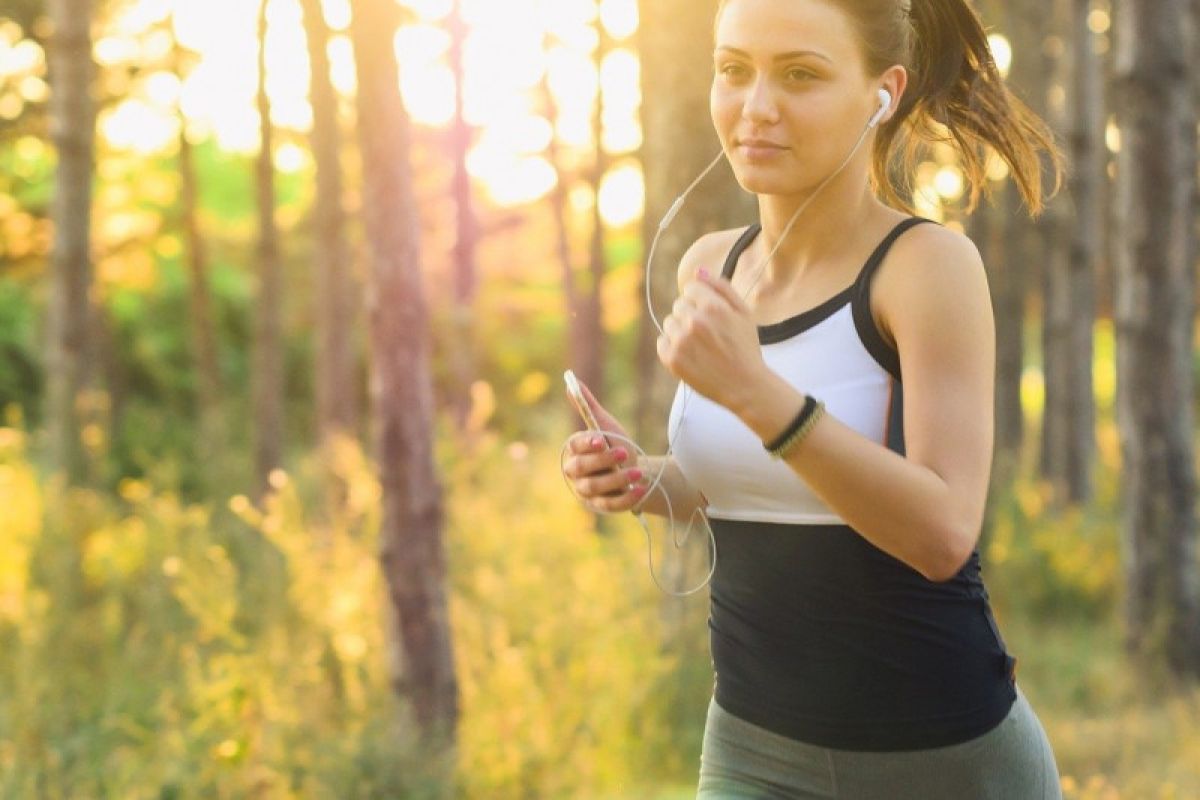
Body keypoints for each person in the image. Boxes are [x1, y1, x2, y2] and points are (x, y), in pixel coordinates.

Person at [563, 0, 1067, 796]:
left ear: (884, 91)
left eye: (800, 75)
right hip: (753, 747)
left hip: (944, 757)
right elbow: (752, 484)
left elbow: (942, 533)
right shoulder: (711, 265)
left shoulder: (926, 268)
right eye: (734, 70)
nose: (756, 107)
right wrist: (645, 480)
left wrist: (760, 396)